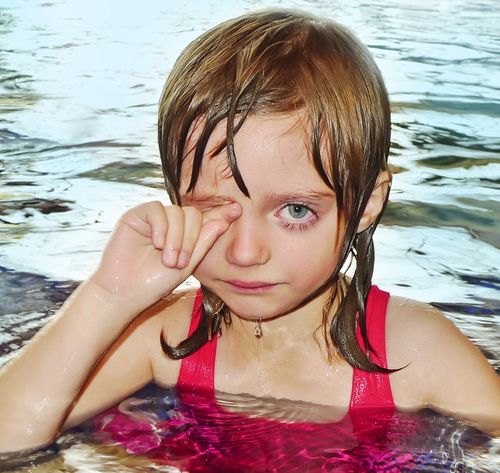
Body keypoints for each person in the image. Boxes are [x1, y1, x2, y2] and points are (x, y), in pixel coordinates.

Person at [0, 9, 499, 456]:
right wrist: (109, 297)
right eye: (217, 210)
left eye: (297, 211)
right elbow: (10, 438)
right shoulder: (168, 337)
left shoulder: (417, 351)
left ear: (366, 203)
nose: (245, 253)